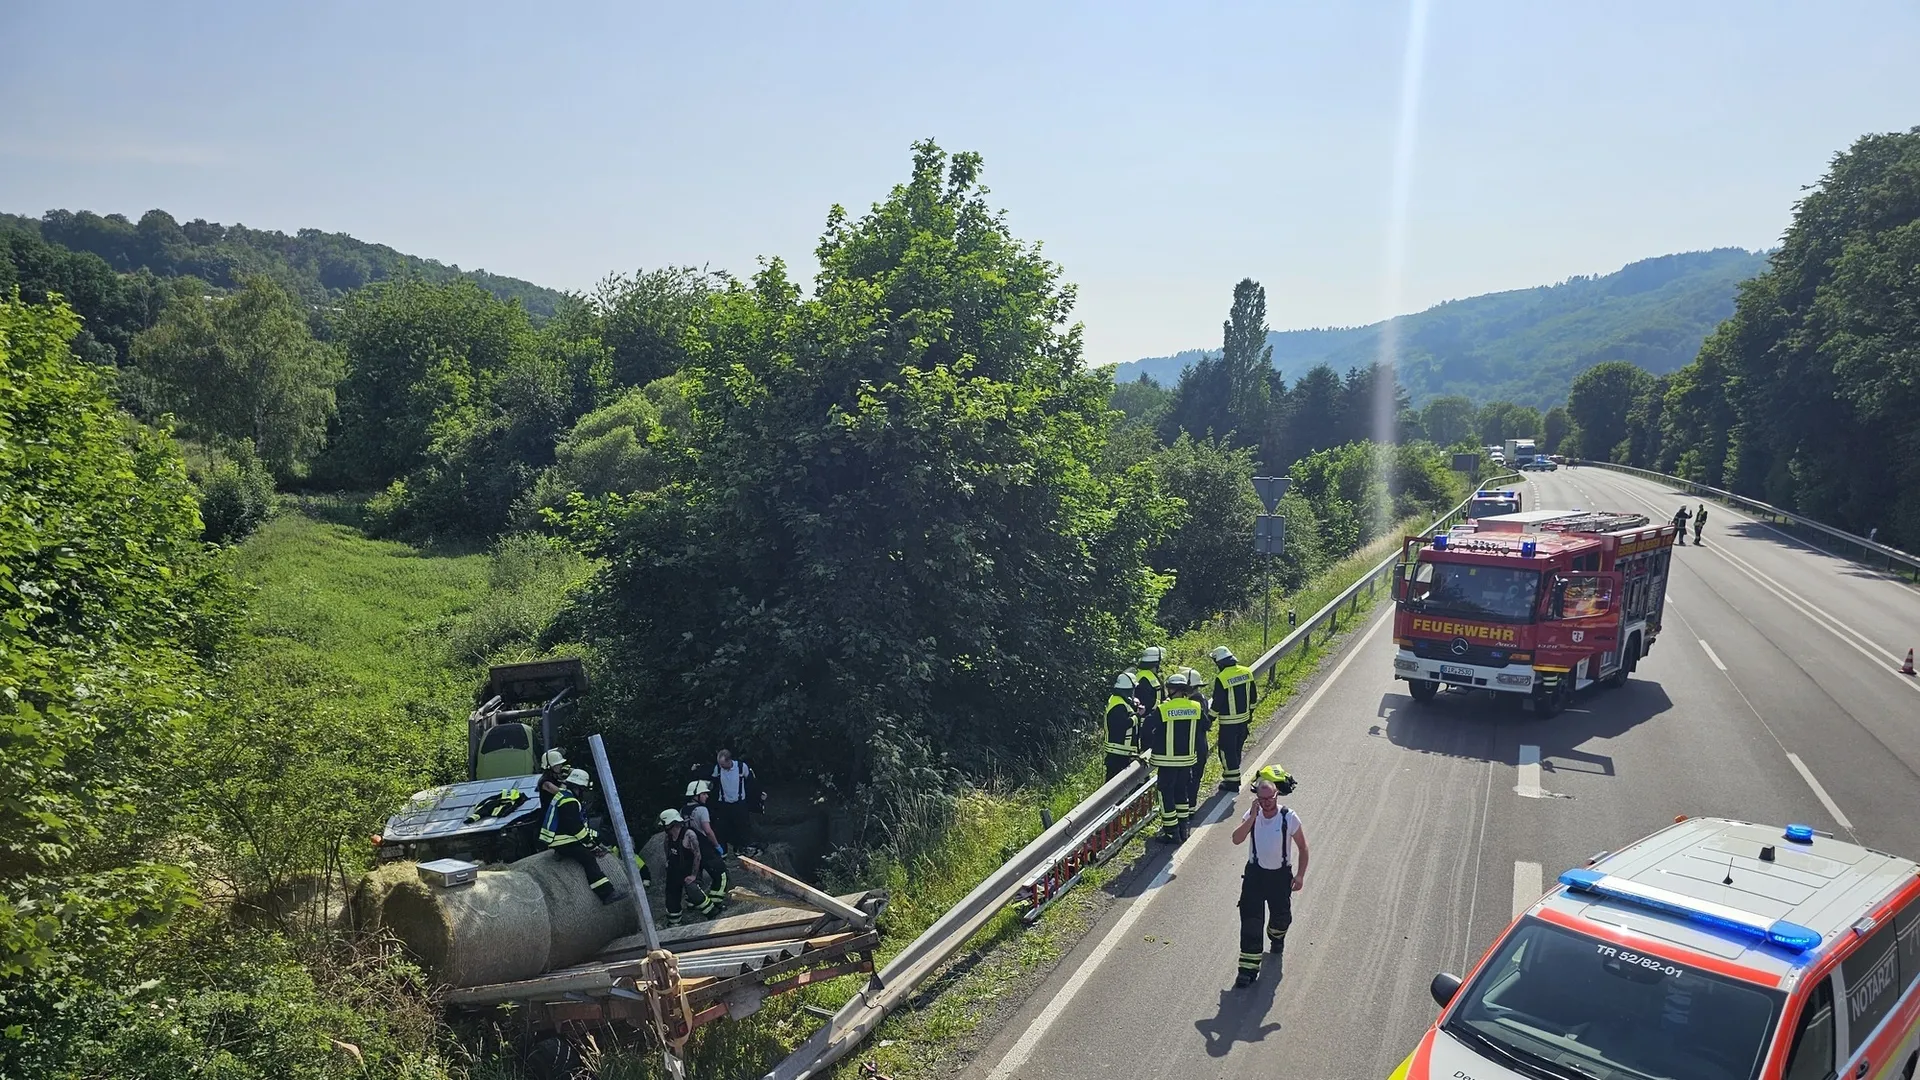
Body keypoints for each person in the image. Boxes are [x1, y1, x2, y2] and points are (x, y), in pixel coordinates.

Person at [1230, 765, 1307, 988]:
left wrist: (1300, 876)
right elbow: (1236, 839)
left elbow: (1303, 848)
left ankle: (1276, 936)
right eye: (1261, 800)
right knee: (1251, 923)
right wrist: (1252, 816)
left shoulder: (1288, 817)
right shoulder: (1253, 816)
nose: (1266, 803)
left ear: (1276, 795)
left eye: (1269, 798)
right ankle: (1247, 970)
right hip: (1255, 876)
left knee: (1281, 918)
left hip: (1280, 878)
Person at [539, 769, 622, 905]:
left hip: (559, 839)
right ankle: (607, 894)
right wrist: (592, 846)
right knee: (588, 859)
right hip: (564, 840)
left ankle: (561, 853)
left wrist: (593, 840)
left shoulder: (563, 796)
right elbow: (576, 828)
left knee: (597, 836)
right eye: (583, 790)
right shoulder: (569, 801)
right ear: (579, 788)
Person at [1144, 670, 1201, 843]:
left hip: (1166, 761)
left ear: (1173, 690)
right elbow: (1205, 725)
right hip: (1187, 760)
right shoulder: (1195, 707)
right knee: (1181, 793)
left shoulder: (1164, 708)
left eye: (1169, 688)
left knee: (1165, 794)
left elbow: (1147, 727)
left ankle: (1171, 832)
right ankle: (1184, 828)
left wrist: (1148, 747)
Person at [1208, 646, 1258, 792]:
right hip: (1244, 720)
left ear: (1220, 663)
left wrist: (1209, 720)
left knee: (1225, 750)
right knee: (1236, 749)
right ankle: (1234, 776)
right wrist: (1250, 714)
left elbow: (1217, 702)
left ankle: (1232, 781)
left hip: (1228, 722)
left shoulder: (1222, 678)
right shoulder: (1247, 672)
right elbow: (1254, 697)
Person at [658, 809, 720, 924]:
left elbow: (697, 856)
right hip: (674, 870)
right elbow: (667, 850)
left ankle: (712, 912)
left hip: (688, 870)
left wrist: (693, 875)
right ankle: (674, 921)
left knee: (693, 891)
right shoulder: (668, 837)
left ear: (671, 823)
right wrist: (668, 863)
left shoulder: (689, 835)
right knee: (671, 894)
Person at [710, 748, 760, 857]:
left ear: (729, 760)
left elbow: (751, 782)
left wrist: (756, 797)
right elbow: (713, 784)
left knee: (742, 827)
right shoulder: (718, 769)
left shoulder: (742, 767)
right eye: (720, 764)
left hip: (739, 803)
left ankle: (741, 850)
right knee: (722, 828)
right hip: (723, 803)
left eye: (723, 764)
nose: (721, 766)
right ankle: (723, 852)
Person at [1182, 667, 1212, 819]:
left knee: (1190, 778)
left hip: (1193, 746)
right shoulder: (1202, 699)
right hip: (1200, 745)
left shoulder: (1192, 703)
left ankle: (1188, 809)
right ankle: (1190, 808)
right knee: (1195, 778)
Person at [1104, 673, 1142, 781]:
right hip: (1119, 753)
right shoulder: (1119, 705)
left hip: (1119, 752)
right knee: (1114, 788)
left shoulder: (1117, 700)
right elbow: (1123, 725)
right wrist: (1138, 716)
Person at [1132, 647, 1166, 714]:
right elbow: (1146, 701)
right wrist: (1163, 703)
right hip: (1150, 718)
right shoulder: (1147, 678)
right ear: (1157, 663)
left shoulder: (1139, 675)